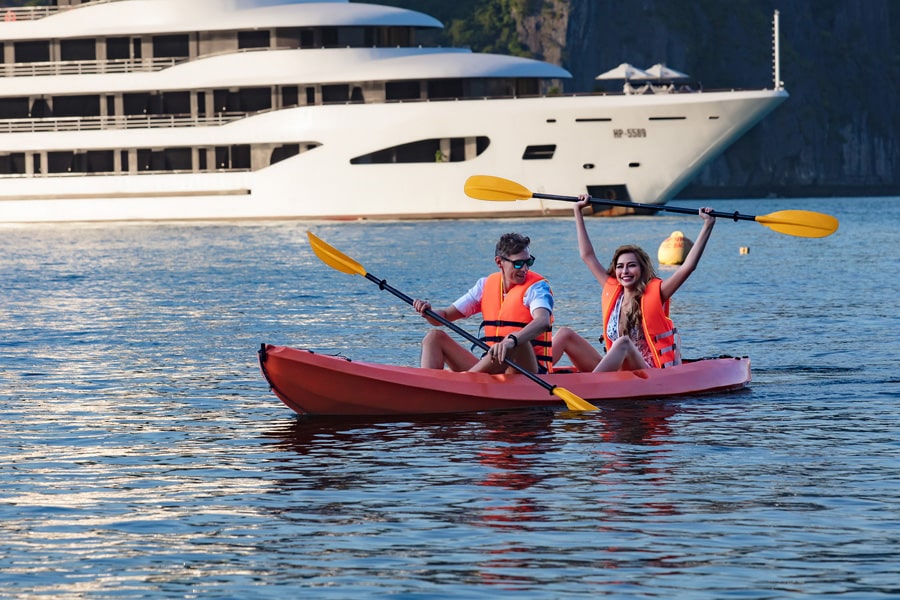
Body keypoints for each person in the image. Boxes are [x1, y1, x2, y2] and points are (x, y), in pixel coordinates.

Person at [553, 196, 716, 372]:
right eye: (620, 267)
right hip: (617, 369)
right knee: (564, 333)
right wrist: (578, 210)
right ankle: (532, 378)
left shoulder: (657, 292)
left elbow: (688, 267)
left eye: (632, 266)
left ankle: (592, 387)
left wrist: (708, 224)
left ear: (642, 269)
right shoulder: (613, 290)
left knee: (623, 343)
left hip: (647, 371)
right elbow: (587, 256)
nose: (625, 272)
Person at [413, 233, 553, 374]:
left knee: (516, 339)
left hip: (528, 371)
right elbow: (443, 316)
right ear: (499, 262)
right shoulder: (484, 286)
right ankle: (429, 386)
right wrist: (427, 311)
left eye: (528, 262)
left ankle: (465, 381)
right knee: (434, 337)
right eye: (518, 263)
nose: (524, 269)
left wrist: (510, 341)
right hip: (492, 364)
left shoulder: (536, 288)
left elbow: (543, 321)